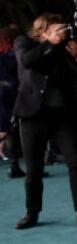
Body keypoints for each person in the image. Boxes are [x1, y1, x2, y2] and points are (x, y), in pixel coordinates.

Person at [12, 13, 77, 230]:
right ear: (43, 30)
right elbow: (26, 61)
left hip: (62, 116)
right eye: (58, 29)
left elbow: (74, 69)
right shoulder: (24, 42)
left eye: (63, 29)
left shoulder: (61, 48)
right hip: (33, 116)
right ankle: (32, 212)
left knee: (76, 163)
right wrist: (49, 44)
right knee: (34, 170)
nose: (62, 33)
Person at [0, 24, 25, 178]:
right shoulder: (14, 56)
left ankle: (13, 164)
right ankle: (15, 165)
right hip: (13, 94)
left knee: (9, 130)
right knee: (15, 130)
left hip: (2, 95)